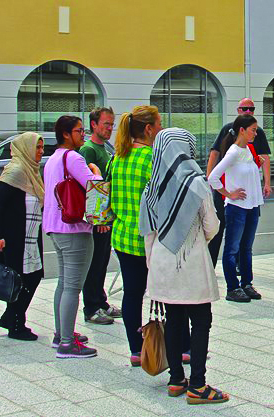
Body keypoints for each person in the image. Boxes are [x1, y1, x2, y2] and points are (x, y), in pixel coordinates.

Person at [141, 128, 229, 405]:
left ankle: (176, 379)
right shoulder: (197, 183)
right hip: (192, 262)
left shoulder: (152, 187)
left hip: (162, 262)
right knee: (201, 321)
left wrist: (154, 263)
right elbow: (212, 225)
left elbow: (148, 233)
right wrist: (197, 240)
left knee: (174, 320)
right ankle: (198, 385)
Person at [43, 115, 102, 358]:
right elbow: (94, 186)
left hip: (56, 226)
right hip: (74, 227)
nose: (83, 135)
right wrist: (96, 171)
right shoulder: (73, 157)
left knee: (64, 283)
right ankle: (67, 343)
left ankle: (61, 334)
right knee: (72, 287)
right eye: (79, 131)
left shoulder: (52, 159)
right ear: (66, 134)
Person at [110, 105, 161, 365]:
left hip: (122, 235)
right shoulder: (152, 158)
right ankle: (173, 345)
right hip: (149, 239)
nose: (161, 128)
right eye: (159, 124)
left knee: (132, 293)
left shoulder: (118, 157)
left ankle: (136, 349)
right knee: (163, 293)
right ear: (149, 129)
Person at [0, 132, 46, 341]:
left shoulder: (32, 172)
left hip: (30, 237)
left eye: (42, 147)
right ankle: (16, 325)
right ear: (26, 148)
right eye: (37, 147)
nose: (41, 152)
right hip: (13, 238)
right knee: (18, 280)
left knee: (34, 276)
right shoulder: (15, 171)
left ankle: (11, 318)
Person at [205, 98, 272, 268]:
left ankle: (241, 268)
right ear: (238, 110)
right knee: (220, 230)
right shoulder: (230, 137)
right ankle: (211, 267)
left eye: (251, 108)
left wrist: (267, 183)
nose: (248, 111)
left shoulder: (254, 138)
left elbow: (263, 158)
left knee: (244, 237)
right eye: (244, 108)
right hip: (226, 191)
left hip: (246, 194)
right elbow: (215, 153)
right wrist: (210, 179)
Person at [207, 114, 264, 303]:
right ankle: (232, 287)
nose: (256, 133)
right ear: (242, 130)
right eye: (253, 130)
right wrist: (229, 194)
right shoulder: (233, 152)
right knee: (232, 249)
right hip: (237, 208)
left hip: (251, 206)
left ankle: (246, 283)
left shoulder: (247, 149)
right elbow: (213, 177)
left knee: (246, 248)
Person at [80, 106, 121, 325]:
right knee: (94, 263)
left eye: (112, 124)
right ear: (94, 124)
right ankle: (91, 306)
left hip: (107, 215)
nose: (110, 128)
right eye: (106, 124)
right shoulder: (88, 150)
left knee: (103, 260)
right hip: (99, 218)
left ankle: (101, 301)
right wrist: (99, 219)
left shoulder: (104, 148)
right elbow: (91, 187)